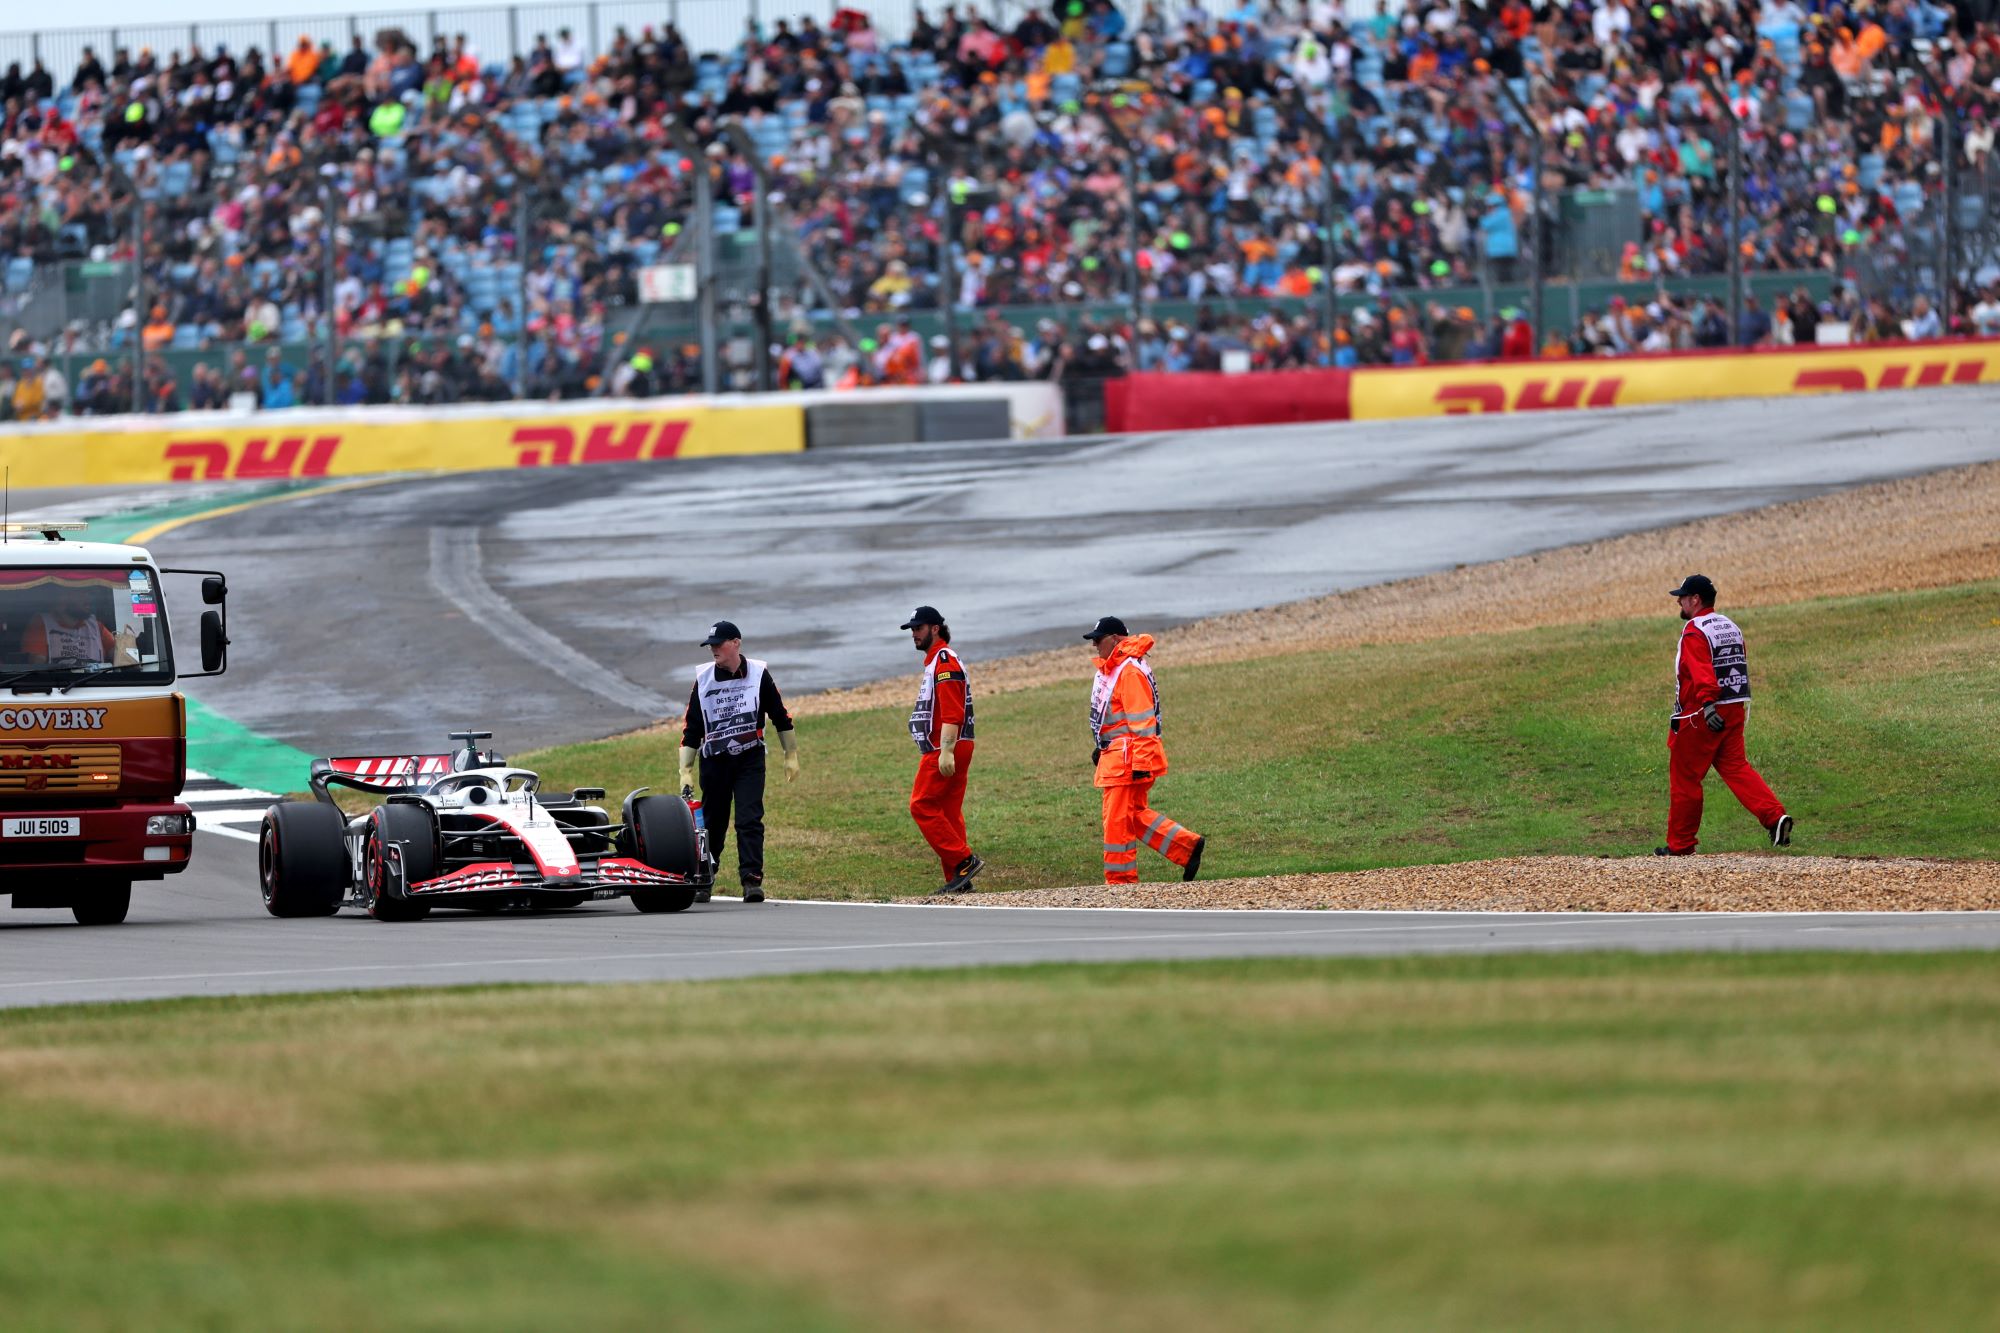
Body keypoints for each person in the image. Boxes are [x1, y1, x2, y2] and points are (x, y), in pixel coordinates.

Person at [1659, 575, 1792, 856]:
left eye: (1682, 596)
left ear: (1695, 599)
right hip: (1734, 708)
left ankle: (1681, 845)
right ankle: (1774, 817)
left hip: (1702, 714)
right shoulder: (1729, 625)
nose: (1679, 601)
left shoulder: (1695, 630)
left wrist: (1707, 706)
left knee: (1685, 777)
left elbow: (1701, 670)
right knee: (1736, 767)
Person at [678, 620, 798, 904]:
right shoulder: (704, 678)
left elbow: (780, 716)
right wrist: (686, 771)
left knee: (749, 819)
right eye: (711, 646)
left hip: (750, 758)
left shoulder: (758, 674)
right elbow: (692, 727)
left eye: (719, 644)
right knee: (713, 822)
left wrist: (790, 755)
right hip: (714, 761)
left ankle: (751, 879)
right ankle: (705, 878)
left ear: (736, 643)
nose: (714, 650)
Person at [1085, 616, 1205, 884]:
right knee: (1132, 816)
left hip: (1127, 762)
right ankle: (1186, 847)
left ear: (1115, 639)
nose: (1094, 644)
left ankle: (1121, 882)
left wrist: (1140, 763)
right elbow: (1120, 720)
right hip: (1118, 758)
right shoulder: (1120, 668)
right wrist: (1102, 746)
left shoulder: (1128, 672)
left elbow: (1143, 723)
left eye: (1098, 639)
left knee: (1117, 823)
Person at [901, 604, 982, 893]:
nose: (914, 634)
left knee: (921, 804)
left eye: (918, 628)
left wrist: (946, 750)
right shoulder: (939, 660)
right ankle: (958, 878)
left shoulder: (944, 661)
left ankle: (964, 860)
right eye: (912, 629)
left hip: (945, 745)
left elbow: (952, 711)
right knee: (947, 811)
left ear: (935, 629)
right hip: (954, 744)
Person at [20, 582, 118, 664]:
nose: (89, 598)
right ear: (64, 597)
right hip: (59, 685)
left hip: (97, 685)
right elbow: (37, 667)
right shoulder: (42, 624)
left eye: (90, 593)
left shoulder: (96, 627)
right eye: (83, 593)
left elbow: (119, 656)